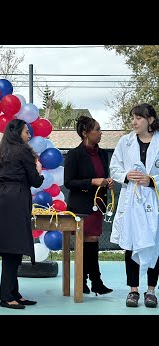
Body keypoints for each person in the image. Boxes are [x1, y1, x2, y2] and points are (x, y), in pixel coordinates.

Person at [0, 119, 44, 310]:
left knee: (12, 250)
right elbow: (35, 181)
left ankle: (13, 292)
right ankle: (6, 296)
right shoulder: (23, 151)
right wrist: (39, 171)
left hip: (3, 199)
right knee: (12, 251)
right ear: (18, 133)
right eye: (27, 132)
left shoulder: (3, 152)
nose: (29, 135)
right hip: (16, 200)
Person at [110, 103, 159, 308]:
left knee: (154, 242)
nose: (134, 122)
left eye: (138, 118)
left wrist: (152, 180)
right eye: (132, 117)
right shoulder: (125, 142)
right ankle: (133, 290)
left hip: (153, 199)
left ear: (150, 120)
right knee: (130, 243)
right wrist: (126, 176)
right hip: (131, 200)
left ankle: (150, 290)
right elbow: (114, 168)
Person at [64, 115, 114, 296]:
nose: (101, 133)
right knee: (86, 242)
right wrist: (92, 181)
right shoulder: (74, 154)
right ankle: (91, 281)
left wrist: (106, 182)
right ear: (85, 133)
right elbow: (69, 182)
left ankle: (88, 282)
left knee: (92, 241)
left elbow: (102, 175)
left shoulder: (102, 154)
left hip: (98, 205)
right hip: (81, 206)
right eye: (97, 129)